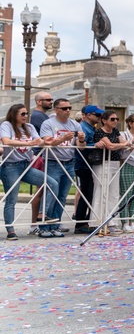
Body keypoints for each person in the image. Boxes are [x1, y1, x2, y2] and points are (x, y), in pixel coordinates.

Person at [1, 103, 59, 240]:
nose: (26, 116)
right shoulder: (6, 125)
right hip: (10, 166)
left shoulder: (30, 127)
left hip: (26, 165)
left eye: (27, 113)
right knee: (12, 199)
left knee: (52, 183)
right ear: (14, 114)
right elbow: (6, 141)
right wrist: (29, 144)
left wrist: (49, 141)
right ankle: (10, 230)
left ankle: (43, 214)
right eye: (22, 114)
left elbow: (39, 141)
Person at [38, 99, 84, 237]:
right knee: (51, 193)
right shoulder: (48, 123)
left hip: (69, 162)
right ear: (56, 110)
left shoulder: (75, 124)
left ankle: (55, 225)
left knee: (62, 196)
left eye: (69, 108)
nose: (68, 110)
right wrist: (62, 139)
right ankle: (44, 227)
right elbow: (46, 142)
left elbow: (81, 147)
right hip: (53, 162)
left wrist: (81, 139)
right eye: (64, 108)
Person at [73, 105, 104, 235]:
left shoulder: (91, 128)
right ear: (88, 115)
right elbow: (80, 145)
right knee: (86, 194)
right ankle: (80, 223)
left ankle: (85, 220)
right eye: (97, 115)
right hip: (82, 164)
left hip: (90, 164)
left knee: (89, 193)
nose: (99, 117)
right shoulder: (83, 128)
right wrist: (95, 145)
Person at [28, 91, 54, 230]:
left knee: (44, 188)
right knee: (41, 189)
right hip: (40, 155)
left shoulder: (43, 116)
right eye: (48, 99)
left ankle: (38, 221)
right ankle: (34, 222)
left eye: (51, 99)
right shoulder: (38, 116)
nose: (51, 101)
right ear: (39, 101)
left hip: (43, 154)